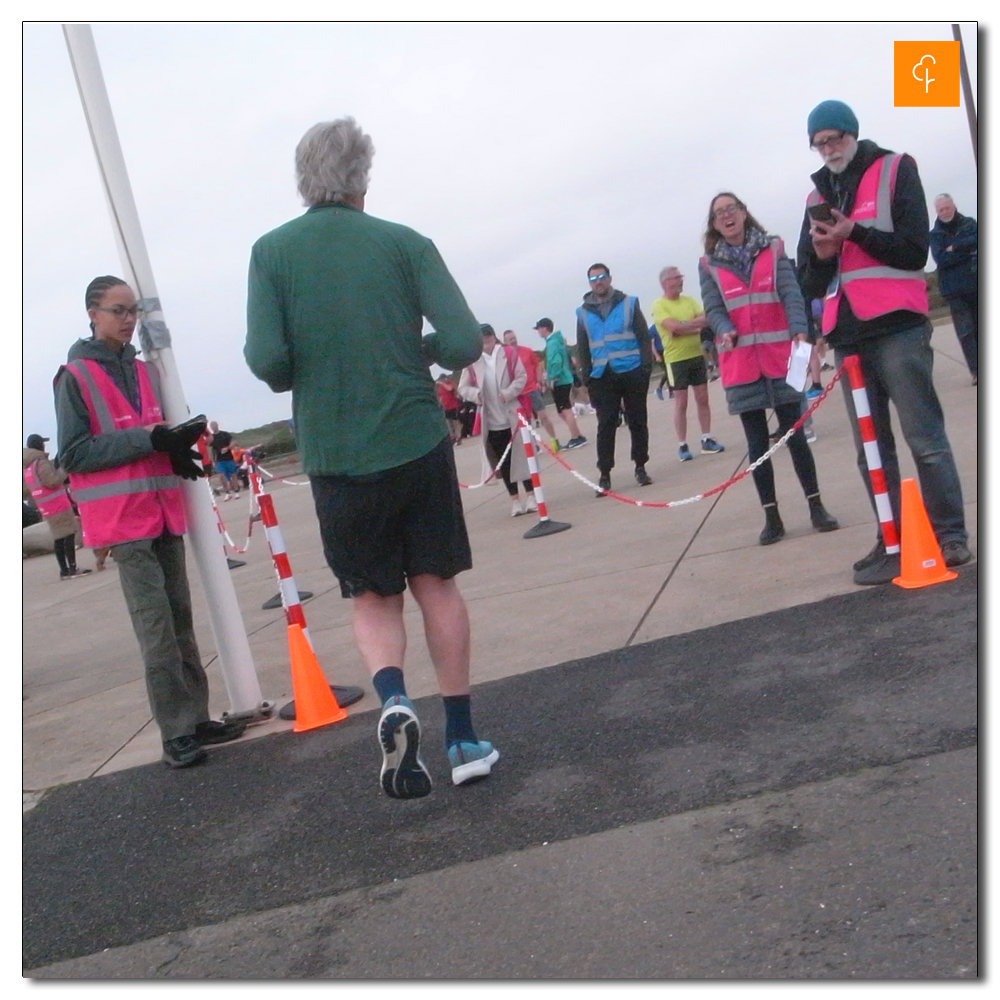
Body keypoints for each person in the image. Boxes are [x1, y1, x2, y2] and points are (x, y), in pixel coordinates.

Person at [245, 117, 497, 799]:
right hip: (413, 436)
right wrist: (417, 354)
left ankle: (392, 698)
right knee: (436, 585)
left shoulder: (271, 253)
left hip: (334, 451)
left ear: (305, 178)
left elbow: (268, 361)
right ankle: (464, 738)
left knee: (373, 595)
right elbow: (462, 340)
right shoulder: (404, 243)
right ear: (363, 176)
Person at [55, 275, 247, 768]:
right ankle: (176, 733)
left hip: (162, 512)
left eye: (132, 310)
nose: (127, 319)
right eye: (117, 310)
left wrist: (175, 447)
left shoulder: (144, 371)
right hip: (123, 522)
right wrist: (151, 440)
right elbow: (74, 454)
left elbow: (153, 434)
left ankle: (196, 718)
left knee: (180, 622)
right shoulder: (74, 376)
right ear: (92, 314)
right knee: (157, 630)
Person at [797, 100, 970, 583]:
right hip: (848, 337)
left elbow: (916, 251)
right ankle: (891, 536)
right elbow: (809, 280)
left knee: (924, 436)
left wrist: (856, 232)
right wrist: (823, 253)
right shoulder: (814, 196)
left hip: (897, 326)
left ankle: (950, 535)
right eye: (819, 143)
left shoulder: (896, 169)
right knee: (871, 449)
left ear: (852, 133)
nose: (827, 149)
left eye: (834, 138)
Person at [699, 193, 839, 546]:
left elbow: (792, 294)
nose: (727, 216)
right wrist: (722, 327)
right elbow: (713, 308)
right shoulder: (709, 264)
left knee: (795, 436)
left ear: (744, 213)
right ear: (714, 225)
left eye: (732, 209)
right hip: (742, 362)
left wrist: (800, 331)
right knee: (757, 444)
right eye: (719, 214)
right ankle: (772, 517)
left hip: (781, 357)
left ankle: (816, 506)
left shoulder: (774, 249)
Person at [575, 264, 654, 494]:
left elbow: (642, 336)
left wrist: (645, 369)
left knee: (637, 421)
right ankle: (605, 474)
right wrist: (587, 378)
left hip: (631, 371)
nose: (598, 281)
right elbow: (583, 347)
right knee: (606, 424)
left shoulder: (629, 303)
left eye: (601, 277)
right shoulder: (582, 312)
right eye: (593, 279)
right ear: (589, 283)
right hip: (602, 375)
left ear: (609, 278)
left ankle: (640, 466)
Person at [459, 325, 537, 517]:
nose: (486, 339)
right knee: (504, 462)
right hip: (491, 420)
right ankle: (515, 500)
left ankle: (531, 496)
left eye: (488, 335)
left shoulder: (509, 354)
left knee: (523, 457)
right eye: (482, 337)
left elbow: (521, 376)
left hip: (512, 414)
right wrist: (477, 395)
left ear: (494, 337)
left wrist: (508, 393)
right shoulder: (472, 362)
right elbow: (463, 387)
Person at [649, 266, 725, 462]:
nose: (681, 281)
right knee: (681, 403)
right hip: (676, 360)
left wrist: (685, 327)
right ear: (665, 282)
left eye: (681, 277)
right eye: (676, 278)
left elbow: (705, 319)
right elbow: (671, 327)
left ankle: (706, 438)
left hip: (696, 355)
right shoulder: (659, 305)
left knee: (702, 398)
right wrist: (690, 325)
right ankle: (682, 444)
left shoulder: (690, 300)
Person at [22, 433, 92, 580]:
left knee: (58, 538)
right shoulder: (40, 462)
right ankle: (72, 568)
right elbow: (52, 481)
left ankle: (64, 569)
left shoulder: (28, 466)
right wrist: (64, 470)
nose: (44, 445)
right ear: (39, 445)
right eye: (43, 443)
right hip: (57, 505)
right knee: (68, 535)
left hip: (46, 506)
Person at [929, 194, 977, 384]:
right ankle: (976, 371)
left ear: (954, 206)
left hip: (975, 283)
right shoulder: (935, 235)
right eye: (941, 210)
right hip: (954, 291)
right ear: (937, 212)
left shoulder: (969, 224)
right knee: (966, 332)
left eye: (947, 208)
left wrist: (955, 247)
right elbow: (941, 259)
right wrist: (968, 252)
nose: (945, 212)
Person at [532, 318, 587, 449]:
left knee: (565, 410)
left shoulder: (552, 343)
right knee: (562, 411)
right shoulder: (555, 341)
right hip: (563, 379)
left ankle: (576, 437)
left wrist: (551, 378)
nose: (538, 332)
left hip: (560, 381)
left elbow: (555, 362)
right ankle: (578, 434)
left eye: (538, 328)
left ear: (544, 328)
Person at [502, 330, 561, 451]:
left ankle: (554, 439)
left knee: (543, 416)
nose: (513, 341)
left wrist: (539, 380)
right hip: (518, 393)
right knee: (525, 421)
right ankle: (533, 446)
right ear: (505, 342)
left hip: (532, 389)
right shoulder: (504, 357)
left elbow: (537, 365)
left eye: (514, 338)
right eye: (510, 339)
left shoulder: (526, 351)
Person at [211, 428, 241, 500]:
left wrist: (227, 448)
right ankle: (227, 493)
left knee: (233, 475)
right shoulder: (212, 437)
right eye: (212, 426)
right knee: (221, 476)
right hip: (219, 460)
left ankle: (236, 492)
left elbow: (234, 442)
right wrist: (213, 460)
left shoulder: (224, 434)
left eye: (214, 425)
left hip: (229, 458)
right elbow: (212, 449)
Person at [435, 373, 463, 444]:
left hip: (453, 406)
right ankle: (452, 437)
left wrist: (442, 383)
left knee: (455, 422)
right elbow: (440, 396)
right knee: (448, 423)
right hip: (445, 407)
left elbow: (450, 389)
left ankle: (458, 436)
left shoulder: (449, 384)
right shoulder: (440, 387)